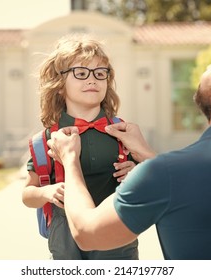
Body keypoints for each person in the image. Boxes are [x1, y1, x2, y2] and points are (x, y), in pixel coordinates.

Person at [47, 26, 211, 259]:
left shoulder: (165, 173)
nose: (203, 70)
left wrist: (70, 161)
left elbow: (87, 235)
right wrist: (147, 153)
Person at [22, 34, 138, 260]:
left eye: (100, 73)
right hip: (65, 237)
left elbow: (152, 183)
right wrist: (46, 192)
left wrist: (136, 172)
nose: (92, 80)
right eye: (81, 73)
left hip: (116, 232)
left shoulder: (125, 133)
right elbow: (28, 194)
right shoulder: (47, 139)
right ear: (59, 85)